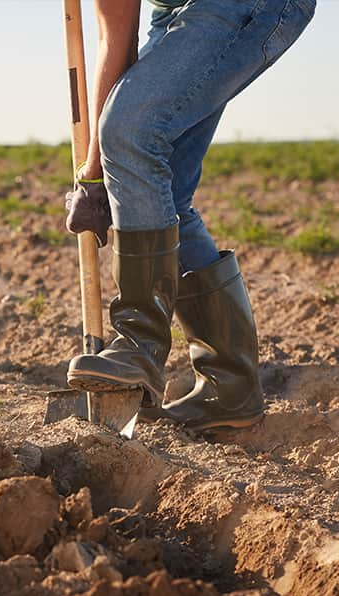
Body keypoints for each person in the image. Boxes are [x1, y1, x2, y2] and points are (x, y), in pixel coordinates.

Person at [63, 0, 315, 432]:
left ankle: (139, 343)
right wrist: (94, 173)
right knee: (166, 190)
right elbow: (115, 38)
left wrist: (103, 160)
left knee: (134, 132)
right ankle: (230, 391)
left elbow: (124, 128)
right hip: (180, 12)